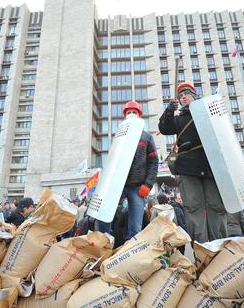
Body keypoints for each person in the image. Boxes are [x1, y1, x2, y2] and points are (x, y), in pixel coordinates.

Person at [158, 82, 227, 242]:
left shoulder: (208, 112)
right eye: (180, 96)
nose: (183, 97)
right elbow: (164, 128)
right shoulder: (178, 119)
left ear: (194, 95)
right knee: (194, 210)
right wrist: (169, 110)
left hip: (211, 168)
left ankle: (219, 247)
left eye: (186, 94)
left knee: (216, 207)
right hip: (188, 169)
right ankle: (202, 250)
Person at [97, 101, 158, 239]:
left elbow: (153, 162)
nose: (131, 115)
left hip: (138, 187)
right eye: (128, 112)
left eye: (134, 112)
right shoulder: (120, 136)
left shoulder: (146, 137)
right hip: (117, 186)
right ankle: (104, 241)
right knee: (104, 216)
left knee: (135, 227)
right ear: (125, 116)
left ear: (139, 116)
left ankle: (130, 253)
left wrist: (148, 184)